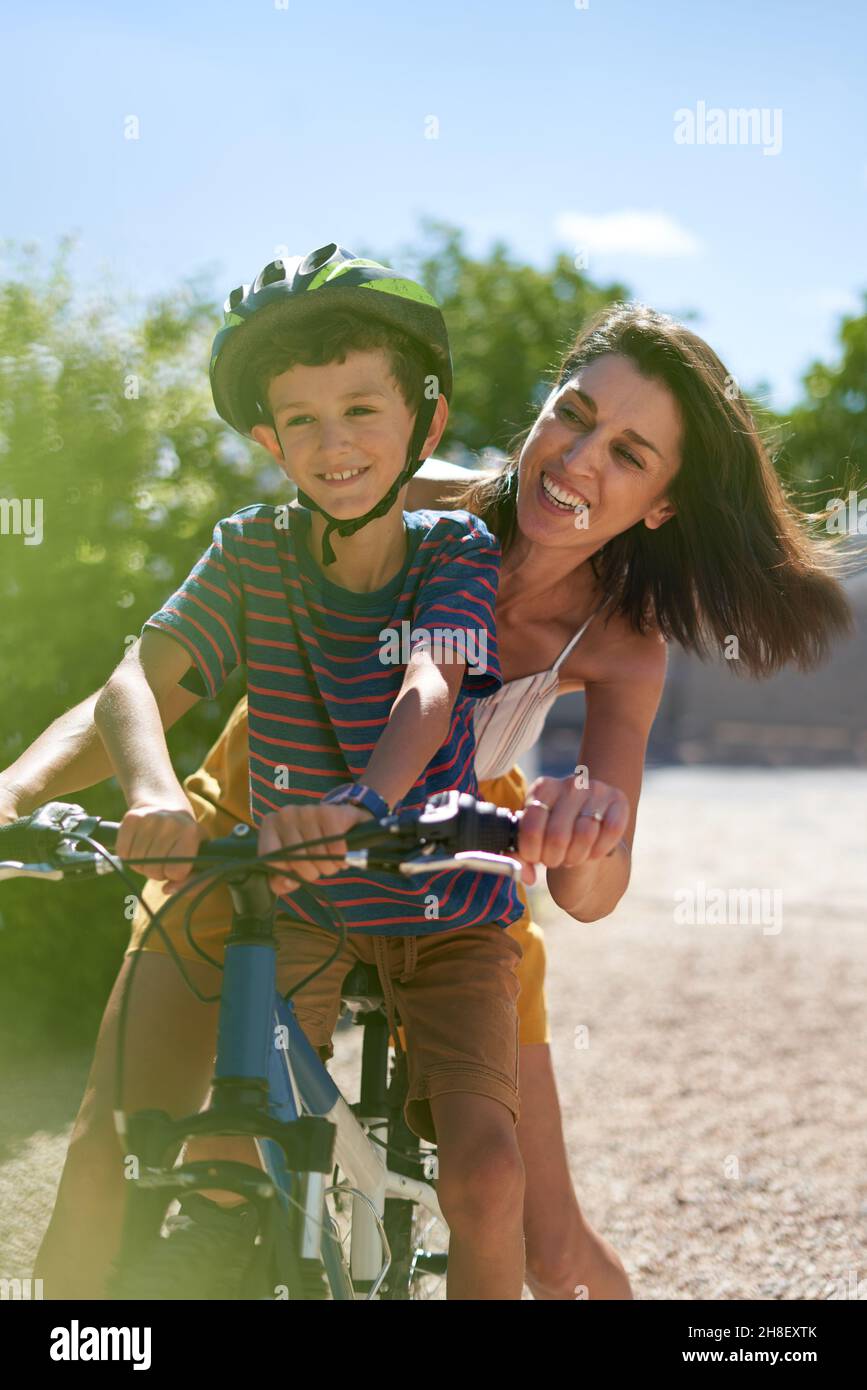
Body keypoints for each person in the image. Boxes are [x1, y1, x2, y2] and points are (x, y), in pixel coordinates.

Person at [2, 296, 851, 1300]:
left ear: (663, 502)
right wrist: (13, 788)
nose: (578, 459)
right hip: (250, 811)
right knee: (114, 1145)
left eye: (628, 454)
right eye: (574, 414)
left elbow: (592, 893)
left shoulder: (624, 642)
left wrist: (585, 835)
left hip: (442, 847)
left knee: (534, 1222)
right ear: (543, 409)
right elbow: (144, 679)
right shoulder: (411, 495)